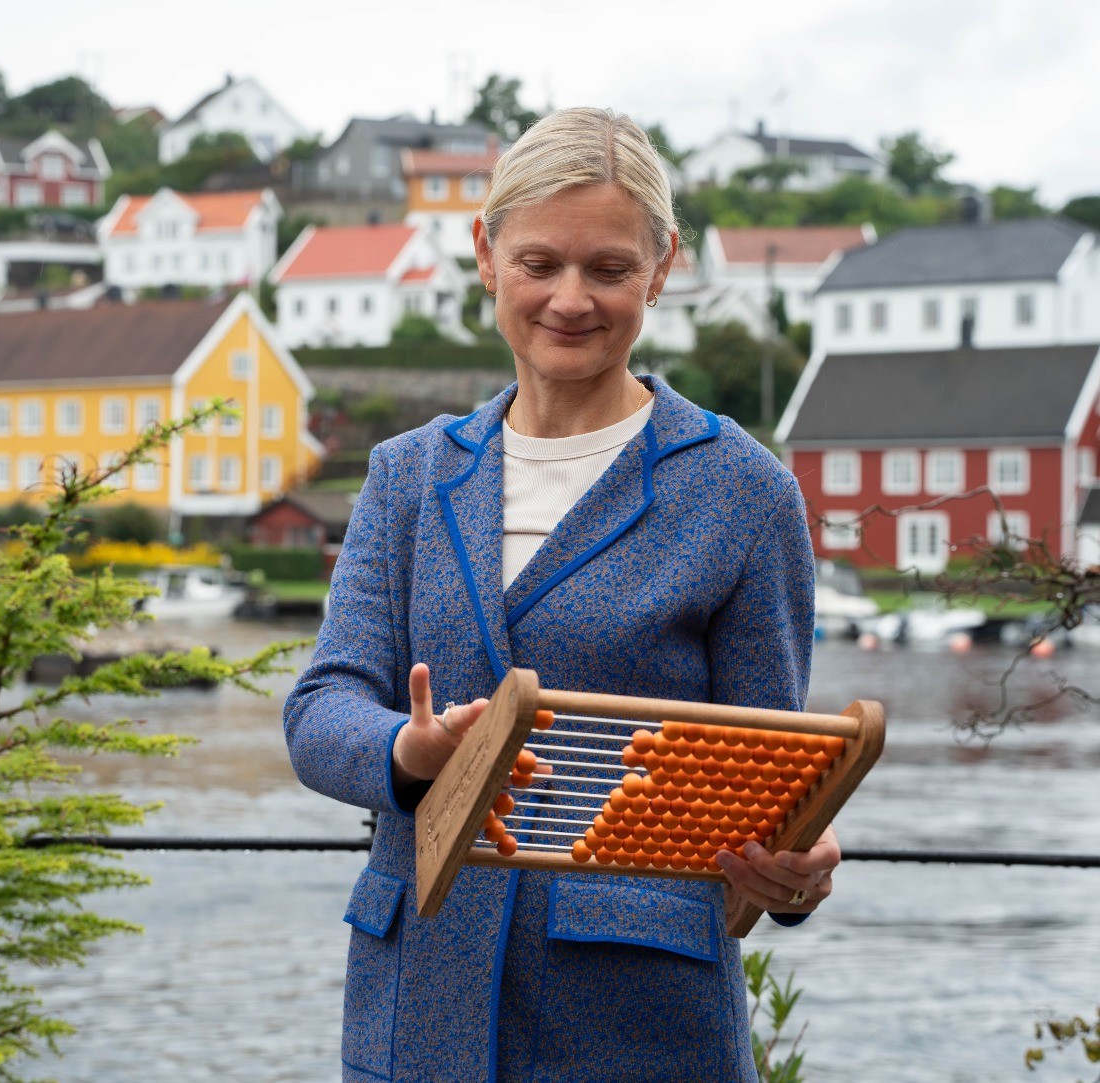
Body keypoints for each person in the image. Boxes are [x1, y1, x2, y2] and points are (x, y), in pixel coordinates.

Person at [283, 106, 839, 1083]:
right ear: (484, 255)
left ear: (661, 270)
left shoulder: (745, 494)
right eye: (539, 263)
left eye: (609, 269)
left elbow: (764, 780)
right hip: (419, 1004)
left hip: (637, 1022)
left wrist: (791, 876)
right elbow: (319, 712)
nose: (570, 299)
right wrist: (407, 753)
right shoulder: (405, 476)